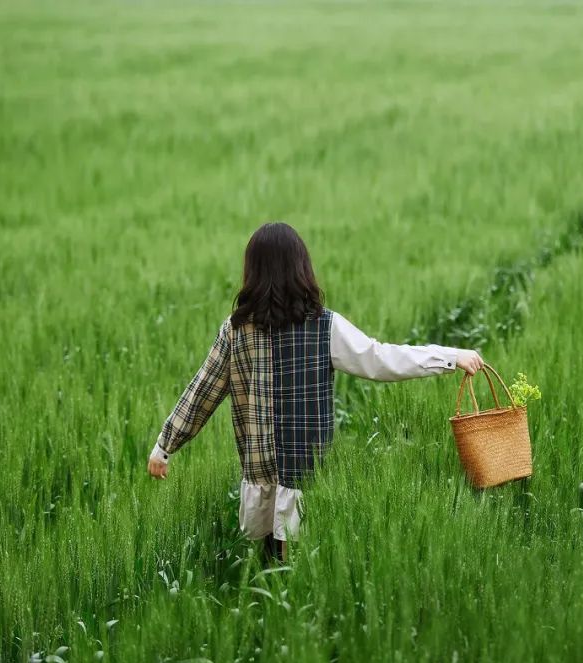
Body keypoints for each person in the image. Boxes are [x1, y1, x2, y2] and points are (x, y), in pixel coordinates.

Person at [147, 222, 484, 561]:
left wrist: (165, 446)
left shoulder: (236, 330)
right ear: (301, 268)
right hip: (306, 474)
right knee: (299, 566)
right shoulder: (324, 326)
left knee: (268, 566)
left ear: (252, 272)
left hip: (261, 472)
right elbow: (381, 359)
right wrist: (449, 357)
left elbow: (202, 392)